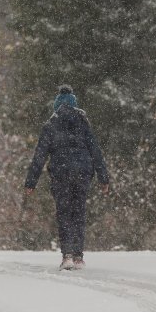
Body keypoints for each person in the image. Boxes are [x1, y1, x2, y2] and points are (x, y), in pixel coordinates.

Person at [24, 85, 110, 270]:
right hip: (83, 172)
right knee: (78, 212)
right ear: (74, 105)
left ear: (56, 106)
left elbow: (40, 156)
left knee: (64, 213)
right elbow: (96, 152)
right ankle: (78, 257)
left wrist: (31, 182)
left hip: (61, 173)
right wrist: (104, 178)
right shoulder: (83, 123)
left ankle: (67, 256)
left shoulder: (50, 125)